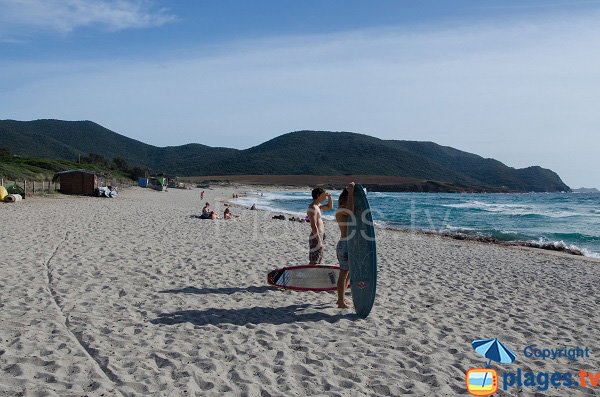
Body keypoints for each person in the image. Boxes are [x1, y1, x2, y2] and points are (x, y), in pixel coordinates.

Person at [335, 182, 355, 308]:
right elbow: (351, 211)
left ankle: (340, 299)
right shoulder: (341, 211)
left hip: (348, 244)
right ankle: (341, 302)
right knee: (343, 273)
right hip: (344, 245)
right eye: (349, 200)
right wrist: (351, 194)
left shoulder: (344, 210)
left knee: (347, 273)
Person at [307, 187, 333, 264]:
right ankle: (310, 275)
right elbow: (313, 225)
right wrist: (319, 241)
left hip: (320, 235)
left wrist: (329, 197)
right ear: (318, 195)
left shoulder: (318, 206)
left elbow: (329, 207)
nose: (325, 197)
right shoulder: (313, 208)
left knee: (318, 259)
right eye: (323, 195)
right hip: (316, 236)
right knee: (314, 261)